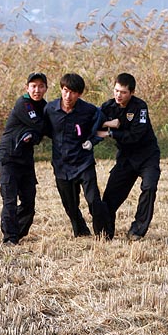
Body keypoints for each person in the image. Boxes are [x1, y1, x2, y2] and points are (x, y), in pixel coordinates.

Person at [43, 73, 111, 239]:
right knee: (70, 205)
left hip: (83, 162)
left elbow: (103, 126)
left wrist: (92, 141)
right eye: (65, 91)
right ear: (61, 89)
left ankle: (104, 234)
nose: (68, 96)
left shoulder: (89, 110)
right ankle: (81, 231)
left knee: (94, 200)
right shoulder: (50, 109)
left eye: (73, 92)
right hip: (61, 165)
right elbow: (42, 129)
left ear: (79, 94)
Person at [96, 73, 161, 241]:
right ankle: (106, 233)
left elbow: (135, 136)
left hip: (147, 155)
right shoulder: (108, 107)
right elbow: (92, 123)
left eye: (123, 92)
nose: (119, 95)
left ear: (132, 92)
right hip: (126, 157)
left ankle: (137, 231)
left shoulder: (140, 107)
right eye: (116, 91)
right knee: (110, 197)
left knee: (149, 188)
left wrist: (110, 132)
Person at [0, 72, 48, 246]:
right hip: (9, 156)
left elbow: (42, 129)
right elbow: (41, 126)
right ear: (27, 88)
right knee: (10, 200)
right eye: (33, 86)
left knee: (29, 201)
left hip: (26, 159)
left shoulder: (44, 106)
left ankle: (16, 233)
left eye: (41, 86)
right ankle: (9, 238)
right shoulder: (23, 104)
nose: (37, 90)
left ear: (46, 89)